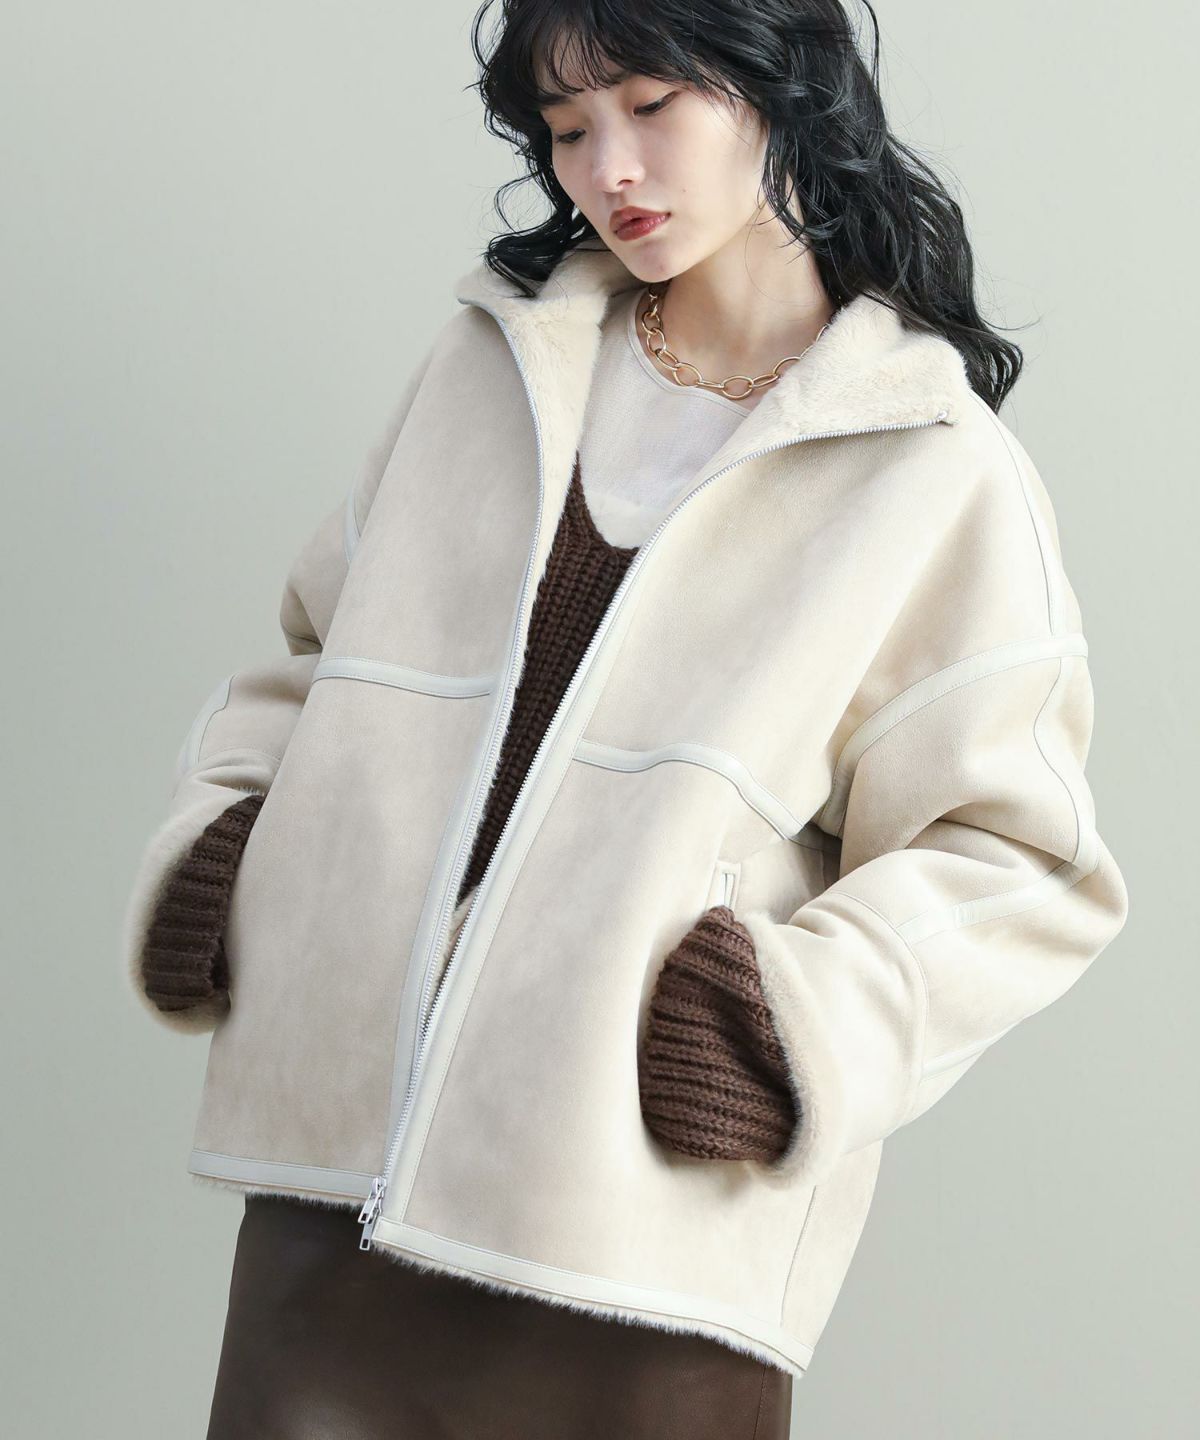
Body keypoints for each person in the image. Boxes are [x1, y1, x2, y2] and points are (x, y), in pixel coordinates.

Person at [122, 2, 1129, 1435]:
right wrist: (225, 844)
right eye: (568, 129)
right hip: (330, 1202)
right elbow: (316, 661)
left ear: (780, 86)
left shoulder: (929, 464)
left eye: (652, 106)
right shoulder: (488, 368)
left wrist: (786, 1026)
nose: (611, 170)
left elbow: (1019, 858)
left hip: (638, 1235)